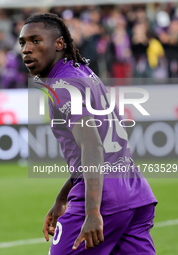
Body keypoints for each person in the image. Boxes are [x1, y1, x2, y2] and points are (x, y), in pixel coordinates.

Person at [19, 13, 157, 255]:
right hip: (135, 193)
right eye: (23, 43)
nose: (27, 49)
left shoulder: (63, 87)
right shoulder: (83, 73)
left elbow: (93, 147)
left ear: (59, 44)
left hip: (104, 201)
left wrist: (93, 212)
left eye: (36, 41)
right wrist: (63, 196)